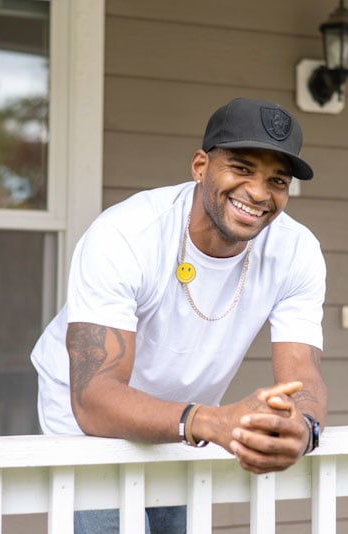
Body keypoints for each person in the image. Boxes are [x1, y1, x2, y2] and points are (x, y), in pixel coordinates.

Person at [31, 97, 327, 533]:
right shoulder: (127, 234)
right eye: (242, 169)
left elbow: (302, 373)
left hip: (190, 417)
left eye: (277, 180)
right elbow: (93, 398)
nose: (260, 193)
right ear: (200, 166)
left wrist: (303, 429)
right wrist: (210, 420)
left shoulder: (296, 251)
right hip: (88, 419)